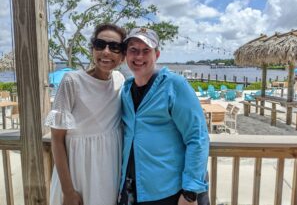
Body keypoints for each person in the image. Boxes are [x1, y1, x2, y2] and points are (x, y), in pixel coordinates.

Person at [119, 28, 210, 205]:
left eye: (146, 51)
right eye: (133, 50)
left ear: (157, 55)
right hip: (132, 189)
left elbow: (197, 137)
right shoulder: (125, 90)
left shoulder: (174, 85)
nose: (139, 57)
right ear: (125, 55)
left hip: (169, 192)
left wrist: (190, 192)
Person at [45, 23, 126, 205]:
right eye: (100, 44)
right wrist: (68, 191)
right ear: (92, 49)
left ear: (122, 56)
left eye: (114, 47)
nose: (106, 52)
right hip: (77, 170)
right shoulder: (71, 82)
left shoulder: (120, 80)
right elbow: (57, 139)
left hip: (109, 170)